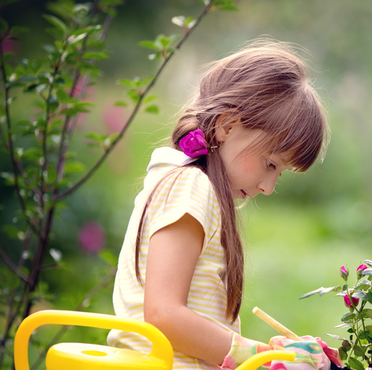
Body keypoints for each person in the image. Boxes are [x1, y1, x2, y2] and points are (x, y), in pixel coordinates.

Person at [107, 40, 339, 370]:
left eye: (280, 174)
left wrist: (275, 355)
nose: (268, 187)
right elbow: (162, 314)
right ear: (227, 126)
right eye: (271, 164)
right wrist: (264, 359)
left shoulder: (192, 187)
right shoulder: (191, 186)